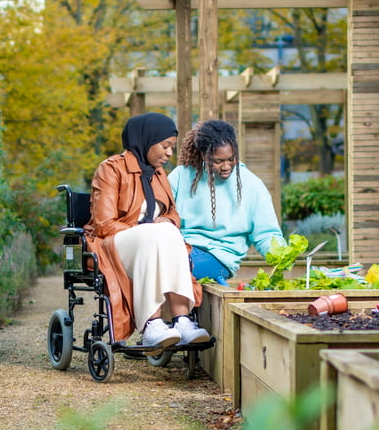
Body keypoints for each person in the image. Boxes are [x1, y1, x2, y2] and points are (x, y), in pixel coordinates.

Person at [84, 112, 210, 355]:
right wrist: (149, 230)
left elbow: (173, 214)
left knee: (170, 232)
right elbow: (103, 224)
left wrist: (165, 222)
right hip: (112, 245)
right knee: (155, 234)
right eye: (165, 146)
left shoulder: (158, 174)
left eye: (171, 147)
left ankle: (182, 321)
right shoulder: (110, 169)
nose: (169, 153)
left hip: (152, 244)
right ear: (147, 140)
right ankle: (152, 324)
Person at [168, 119, 286, 282]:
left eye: (231, 159)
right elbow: (162, 216)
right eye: (218, 161)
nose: (226, 166)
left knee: (172, 266)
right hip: (180, 247)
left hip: (219, 257)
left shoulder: (252, 185)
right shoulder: (181, 176)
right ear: (204, 155)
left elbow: (266, 233)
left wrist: (282, 253)